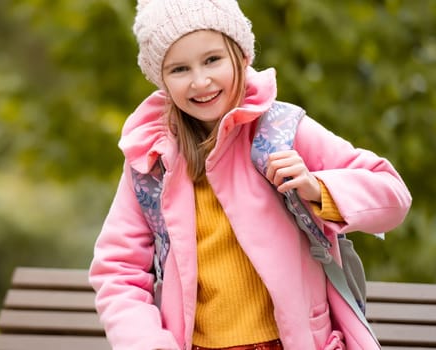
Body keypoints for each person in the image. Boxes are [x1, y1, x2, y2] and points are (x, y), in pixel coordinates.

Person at [88, 0, 412, 349]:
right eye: (179, 69)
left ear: (241, 57)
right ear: (161, 79)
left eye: (212, 60)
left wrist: (317, 188)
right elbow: (118, 270)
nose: (201, 81)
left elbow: (392, 194)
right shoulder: (151, 158)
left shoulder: (281, 130)